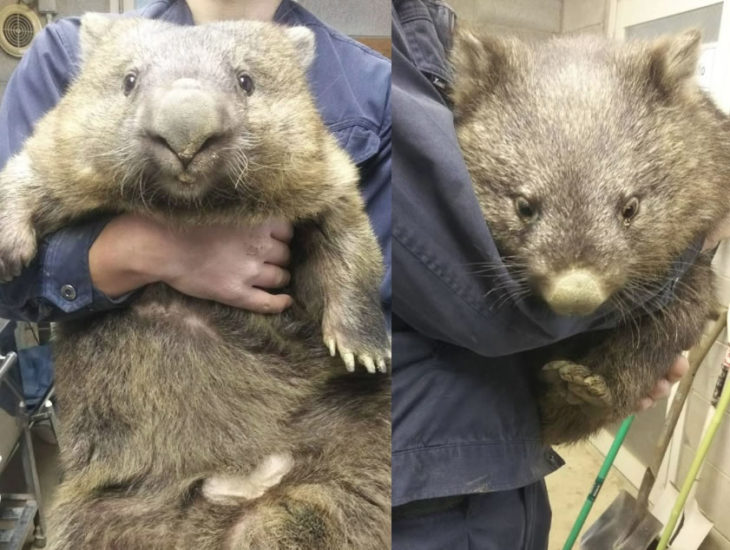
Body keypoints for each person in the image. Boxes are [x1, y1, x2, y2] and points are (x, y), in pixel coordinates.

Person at [390, 1, 717, 548]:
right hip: (427, 484)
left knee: (692, 300)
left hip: (492, 459)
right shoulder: (386, 43)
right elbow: (474, 303)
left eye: (629, 210)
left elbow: (706, 170)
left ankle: (594, 391)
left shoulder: (421, 23)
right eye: (525, 207)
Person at [0, 0, 391, 357]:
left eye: (245, 84)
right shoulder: (66, 51)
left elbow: (342, 216)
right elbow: (34, 175)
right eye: (131, 82)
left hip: (303, 401)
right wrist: (141, 253)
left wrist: (353, 314)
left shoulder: (375, 87)